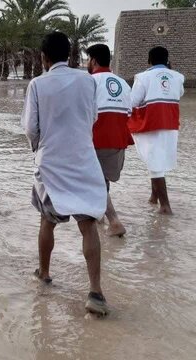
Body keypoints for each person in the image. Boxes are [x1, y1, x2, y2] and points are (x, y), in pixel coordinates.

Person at [21, 32, 109, 316]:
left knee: (47, 221)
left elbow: (30, 129)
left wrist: (39, 149)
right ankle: (95, 292)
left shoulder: (37, 84)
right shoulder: (88, 80)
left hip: (52, 165)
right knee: (88, 225)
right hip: (84, 160)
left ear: (43, 58)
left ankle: (44, 273)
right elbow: (93, 117)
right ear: (70, 55)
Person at [129, 46, 185, 215]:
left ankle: (165, 205)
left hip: (151, 124)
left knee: (154, 162)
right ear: (167, 60)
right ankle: (154, 196)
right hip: (170, 123)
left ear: (149, 60)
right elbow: (179, 93)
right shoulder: (178, 77)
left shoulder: (143, 77)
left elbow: (132, 101)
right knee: (157, 160)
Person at [86, 44, 133, 237]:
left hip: (95, 140)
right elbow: (129, 112)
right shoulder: (122, 83)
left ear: (94, 60)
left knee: (93, 181)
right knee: (103, 179)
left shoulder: (88, 81)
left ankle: (114, 221)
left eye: (88, 59)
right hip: (119, 140)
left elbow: (83, 113)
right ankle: (100, 217)